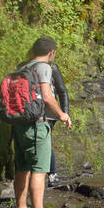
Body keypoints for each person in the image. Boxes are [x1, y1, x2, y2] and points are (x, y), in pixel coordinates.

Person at [10, 37, 71, 208]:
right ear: (51, 52)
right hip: (38, 125)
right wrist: (62, 114)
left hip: (19, 125)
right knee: (40, 169)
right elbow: (47, 96)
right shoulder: (44, 67)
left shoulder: (22, 68)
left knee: (22, 168)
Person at [46, 60, 69, 188]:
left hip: (49, 114)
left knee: (46, 142)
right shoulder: (25, 66)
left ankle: (52, 173)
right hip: (28, 112)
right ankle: (51, 174)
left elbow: (62, 91)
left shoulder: (52, 68)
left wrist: (65, 114)